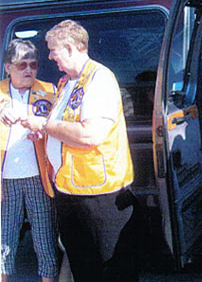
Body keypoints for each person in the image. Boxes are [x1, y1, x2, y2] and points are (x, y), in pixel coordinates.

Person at [21, 19, 137, 281]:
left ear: (71, 48)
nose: (50, 56)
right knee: (84, 267)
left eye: (53, 50)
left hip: (99, 196)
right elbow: (62, 127)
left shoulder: (100, 79)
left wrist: (46, 125)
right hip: (70, 192)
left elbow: (90, 134)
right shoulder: (67, 82)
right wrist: (45, 131)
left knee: (111, 270)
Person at [0, 39, 58, 282]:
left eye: (33, 65)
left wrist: (43, 132)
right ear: (7, 67)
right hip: (5, 182)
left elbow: (60, 128)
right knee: (4, 241)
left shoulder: (50, 90)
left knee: (44, 240)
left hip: (38, 178)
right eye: (21, 64)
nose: (28, 70)